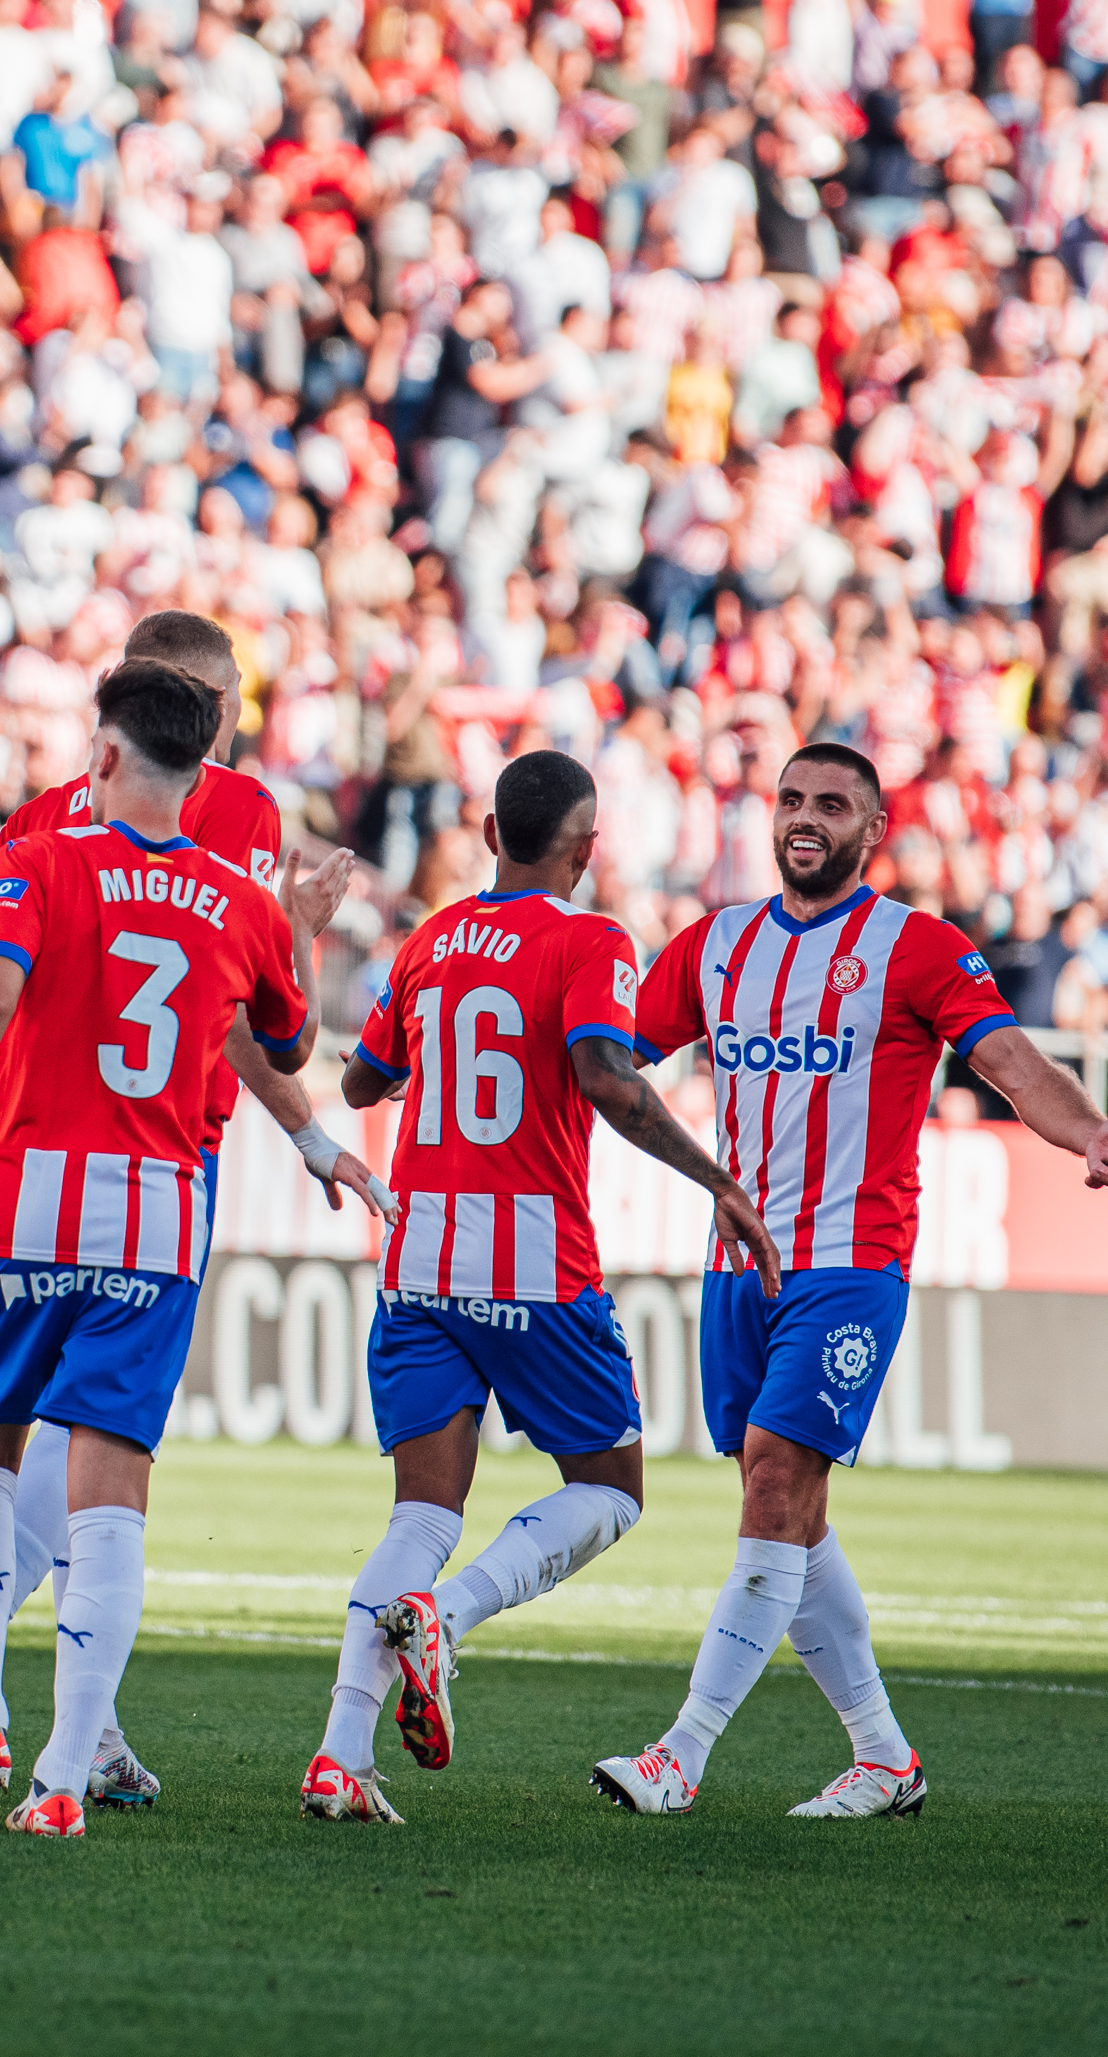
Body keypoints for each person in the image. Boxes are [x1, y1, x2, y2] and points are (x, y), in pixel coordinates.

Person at [0, 610, 381, 1812]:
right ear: (198, 712)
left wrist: (41, 1020)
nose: (229, 711)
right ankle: (59, 1740)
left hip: (43, 1174)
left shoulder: (55, 834)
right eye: (218, 694)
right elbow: (269, 1021)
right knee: (105, 1461)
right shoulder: (233, 851)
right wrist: (288, 957)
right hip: (160, 1178)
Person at [595, 743, 1108, 1820]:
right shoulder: (714, 944)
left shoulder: (916, 946)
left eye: (830, 803)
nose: (805, 817)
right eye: (791, 799)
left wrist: (1083, 1128)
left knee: (771, 1480)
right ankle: (883, 1755)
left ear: (871, 827)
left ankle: (680, 1753)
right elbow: (609, 1057)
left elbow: (1007, 1061)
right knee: (790, 1512)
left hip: (851, 1260)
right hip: (735, 1266)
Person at [305, 751, 775, 1825]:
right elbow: (609, 1079)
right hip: (529, 1256)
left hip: (417, 1248)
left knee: (421, 1508)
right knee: (610, 1487)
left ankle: (339, 1753)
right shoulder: (590, 938)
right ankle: (449, 1615)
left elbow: (360, 1078)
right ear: (584, 848)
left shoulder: (427, 943)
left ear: (484, 831)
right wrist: (718, 1180)